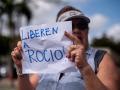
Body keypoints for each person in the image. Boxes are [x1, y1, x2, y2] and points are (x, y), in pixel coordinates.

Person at [11, 6, 119, 90]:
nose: (76, 30)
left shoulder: (101, 57)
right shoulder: (45, 59)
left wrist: (85, 68)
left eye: (81, 25)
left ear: (87, 30)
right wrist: (22, 69)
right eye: (70, 25)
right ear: (57, 32)